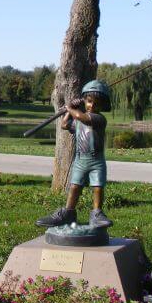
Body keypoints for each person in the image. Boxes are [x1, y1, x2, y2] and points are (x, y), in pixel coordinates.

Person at [36, 80, 113, 229]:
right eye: (89, 101)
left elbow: (80, 117)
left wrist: (71, 108)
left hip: (96, 161)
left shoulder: (99, 119)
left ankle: (97, 214)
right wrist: (68, 112)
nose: (92, 105)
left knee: (98, 186)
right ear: (85, 101)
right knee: (74, 186)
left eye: (97, 103)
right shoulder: (78, 119)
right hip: (80, 160)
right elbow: (65, 125)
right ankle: (68, 212)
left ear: (103, 106)